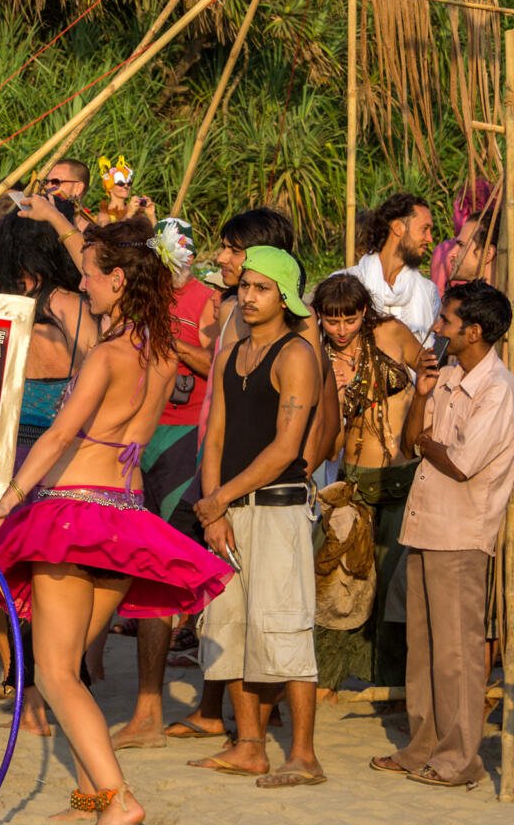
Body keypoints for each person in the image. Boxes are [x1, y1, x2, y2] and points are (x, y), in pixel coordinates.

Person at [0, 217, 230, 825]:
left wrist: (10, 500)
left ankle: (118, 798)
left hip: (73, 513)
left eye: (87, 275)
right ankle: (89, 799)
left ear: (116, 280)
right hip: (126, 518)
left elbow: (58, 435)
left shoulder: (108, 354)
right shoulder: (161, 355)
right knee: (74, 664)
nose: (82, 285)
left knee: (53, 671)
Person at [191, 246, 325, 789]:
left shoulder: (297, 354)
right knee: (234, 628)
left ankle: (304, 753)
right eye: (244, 286)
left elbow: (285, 446)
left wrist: (218, 499)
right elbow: (215, 436)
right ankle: (249, 747)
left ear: (284, 295)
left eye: (260, 288)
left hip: (278, 510)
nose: (247, 296)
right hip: (229, 509)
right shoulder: (231, 353)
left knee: (285, 628)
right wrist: (212, 510)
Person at [372, 282, 514, 788]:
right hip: (427, 524)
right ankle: (423, 747)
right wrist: (423, 397)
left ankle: (461, 760)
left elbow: (458, 463)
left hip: (462, 533)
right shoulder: (447, 374)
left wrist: (431, 441)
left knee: (457, 651)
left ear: (473, 331)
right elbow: (414, 442)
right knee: (424, 646)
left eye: (447, 321)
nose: (436, 328)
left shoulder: (498, 389)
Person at [112, 219, 218, 750]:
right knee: (136, 565)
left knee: (165, 568)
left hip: (184, 441)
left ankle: (159, 707)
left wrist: (174, 343)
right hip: (137, 438)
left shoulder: (209, 301)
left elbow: (218, 365)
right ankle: (142, 701)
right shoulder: (137, 295)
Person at [312, 274, 422, 697]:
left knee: (394, 578)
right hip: (354, 481)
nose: (341, 331)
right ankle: (329, 680)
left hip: (401, 475)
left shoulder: (391, 334)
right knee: (341, 578)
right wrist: (335, 399)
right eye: (332, 322)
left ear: (365, 313)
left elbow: (431, 373)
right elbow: (331, 446)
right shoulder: (320, 360)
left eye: (350, 320)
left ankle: (393, 682)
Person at [343, 194, 438, 342]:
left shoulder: (429, 292)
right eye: (424, 229)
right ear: (398, 228)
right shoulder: (347, 284)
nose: (430, 239)